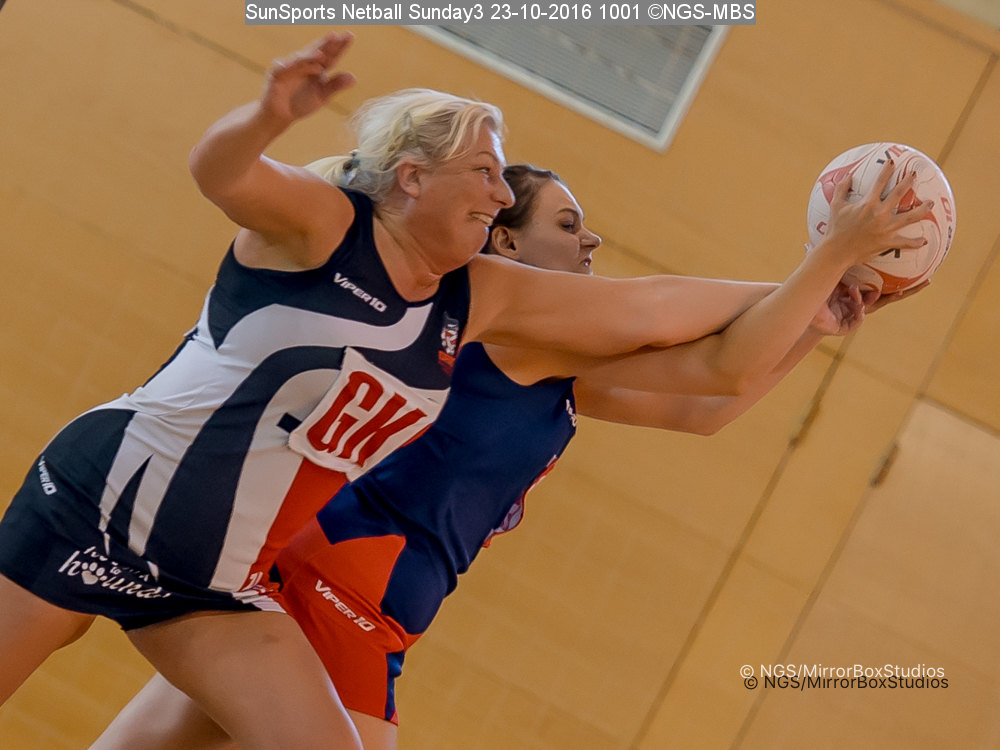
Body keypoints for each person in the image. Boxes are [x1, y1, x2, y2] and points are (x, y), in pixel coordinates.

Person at [89, 160, 929, 750]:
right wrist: (827, 264)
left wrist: (822, 315)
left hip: (343, 593)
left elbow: (709, 398)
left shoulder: (556, 367)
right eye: (567, 223)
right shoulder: (508, 336)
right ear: (508, 246)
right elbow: (677, 323)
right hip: (339, 594)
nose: (592, 239)